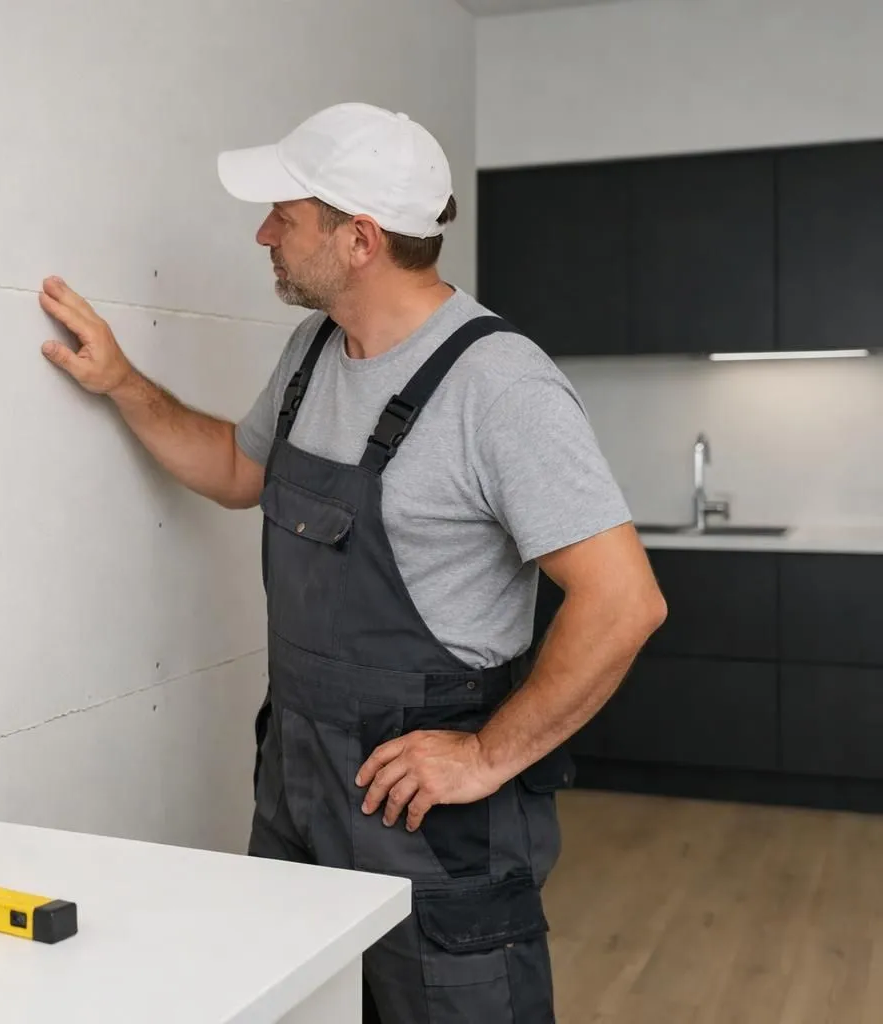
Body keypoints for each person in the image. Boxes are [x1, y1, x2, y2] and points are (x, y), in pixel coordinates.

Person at [37, 102, 666, 1023]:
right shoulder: (311, 353)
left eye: (284, 217)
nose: (264, 234)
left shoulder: (500, 386)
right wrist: (122, 382)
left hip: (429, 824)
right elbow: (236, 471)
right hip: (296, 784)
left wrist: (490, 754)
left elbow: (624, 603)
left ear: (360, 238)